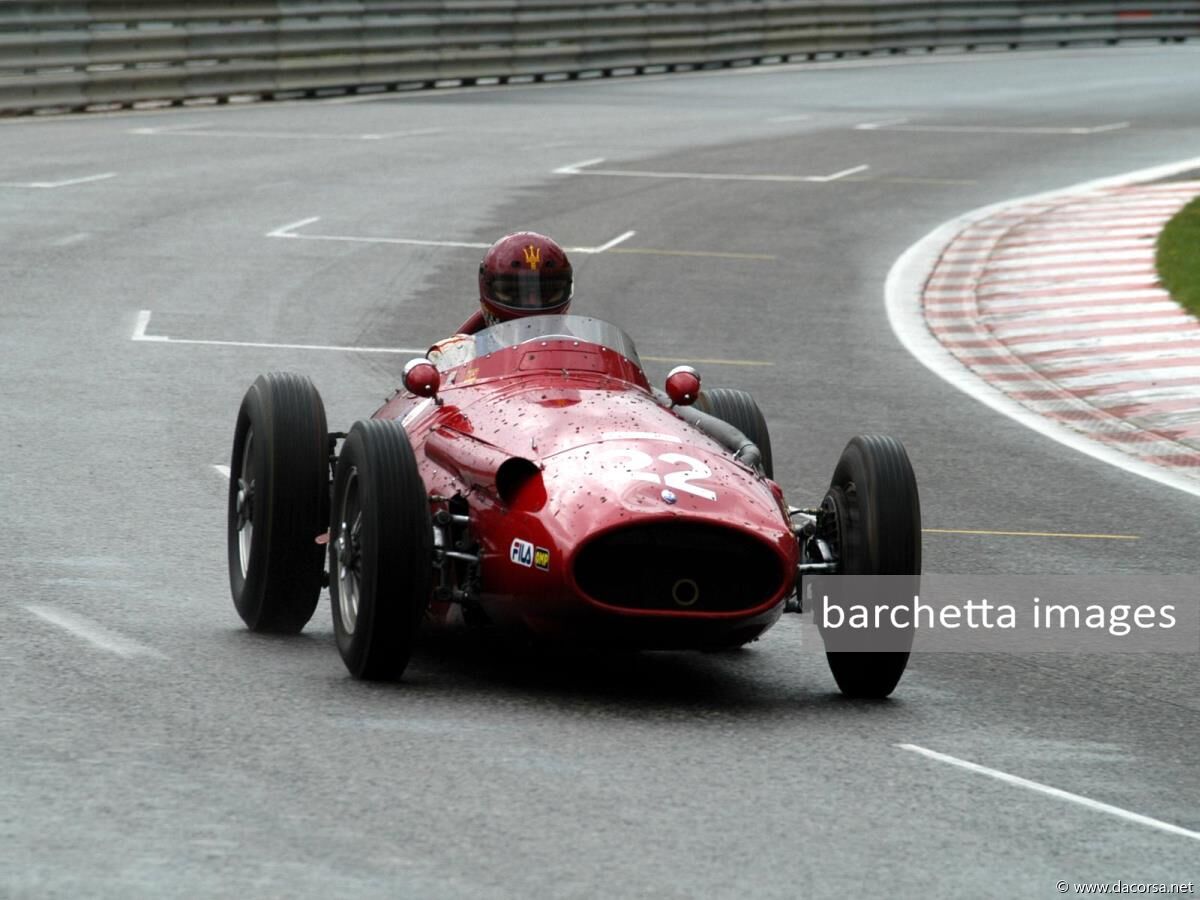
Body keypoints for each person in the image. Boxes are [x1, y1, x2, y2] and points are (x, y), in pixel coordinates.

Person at [428, 231, 573, 368]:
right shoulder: (456, 357)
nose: (532, 302)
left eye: (545, 292)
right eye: (513, 292)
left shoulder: (586, 353)